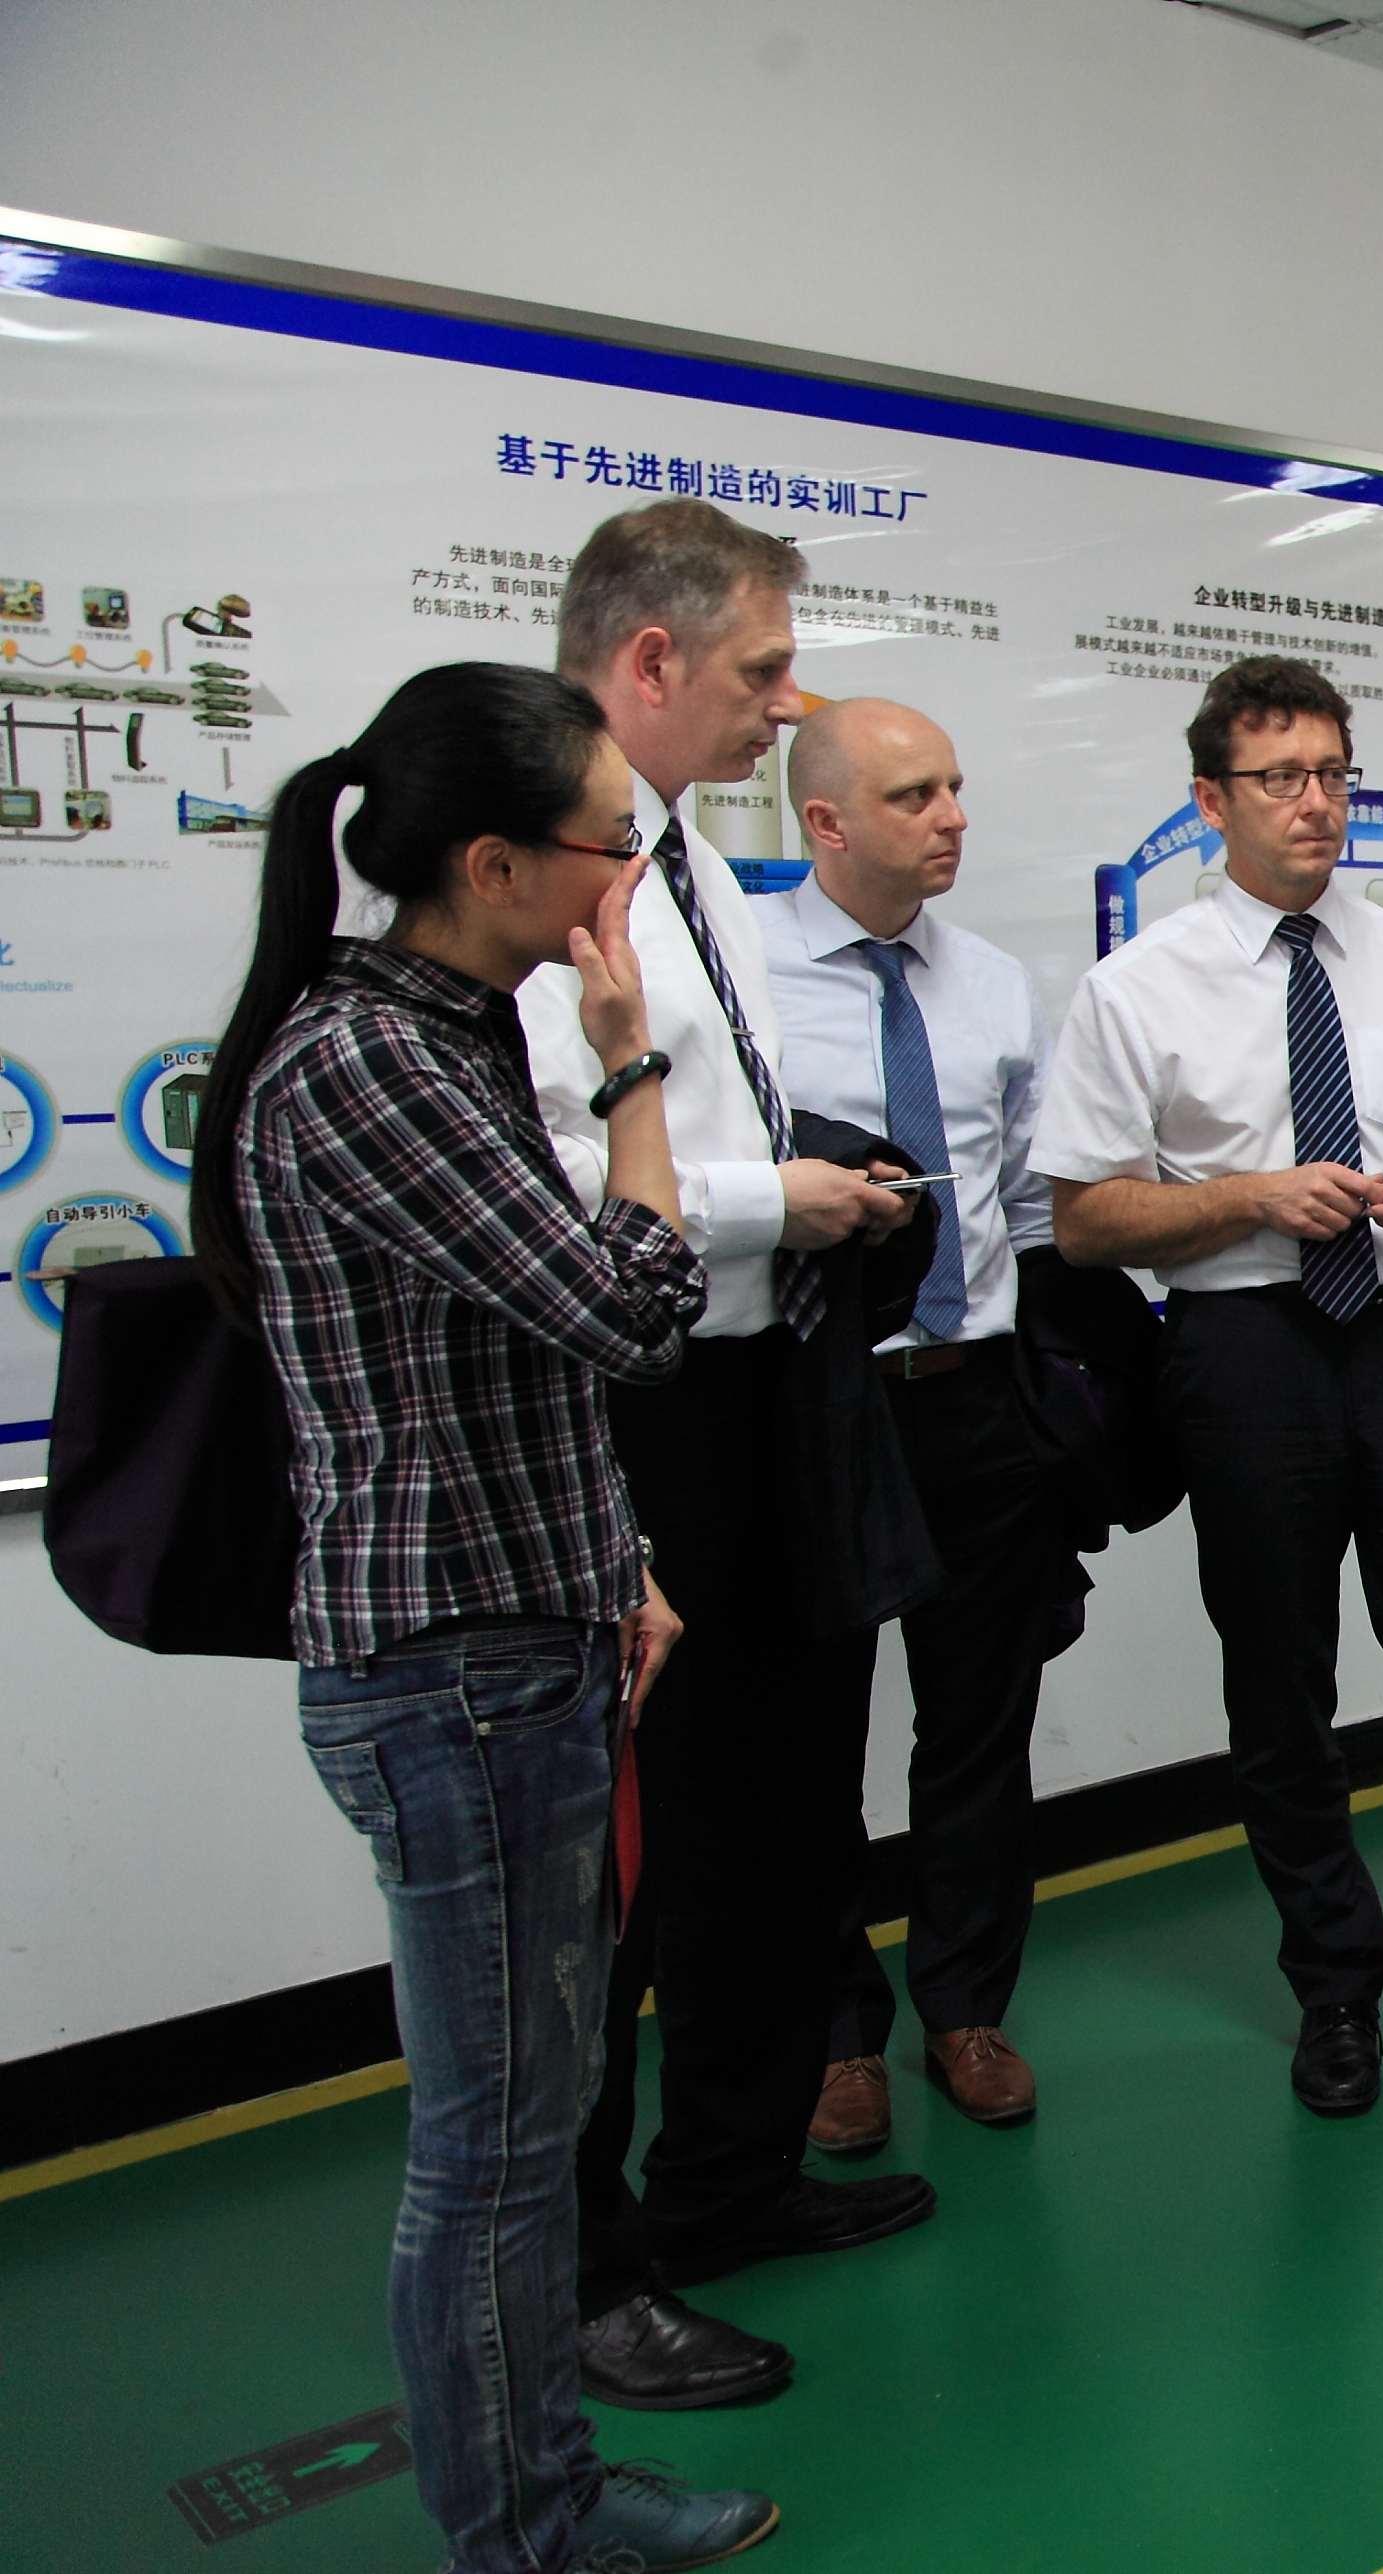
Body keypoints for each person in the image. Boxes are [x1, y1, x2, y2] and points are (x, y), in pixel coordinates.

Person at [192, 662, 774, 2572]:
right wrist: (631, 1071)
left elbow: (505, 1364)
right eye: (612, 846)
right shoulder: (368, 1060)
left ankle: (545, 2485)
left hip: (523, 1631)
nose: (628, 884)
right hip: (454, 1670)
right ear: (493, 863)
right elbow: (624, 1306)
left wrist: (618, 1557)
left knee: (535, 2108)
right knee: (499, 2144)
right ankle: (519, 2530)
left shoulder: (430, 1033)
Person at [1034, 655, 1383, 2116]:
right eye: (1281, 777)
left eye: (1335, 774)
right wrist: (1249, 1197)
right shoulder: (1136, 987)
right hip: (1244, 1350)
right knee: (1279, 1684)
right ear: (1211, 800)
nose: (1317, 803)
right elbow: (1083, 1217)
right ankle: (1335, 1988)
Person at [543, 502, 936, 2410]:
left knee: (772, 1815)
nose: (792, 704)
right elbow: (547, 1177)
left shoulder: (694, 850)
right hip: (630, 1403)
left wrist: (818, 1188)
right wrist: (773, 1197)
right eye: (763, 669)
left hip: (764, 1384)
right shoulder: (548, 864)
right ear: (649, 660)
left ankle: (730, 2172)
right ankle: (589, 2264)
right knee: (619, 1867)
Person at [754, 699, 1082, 2146]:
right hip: (820, 1404)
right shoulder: (746, 982)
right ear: (824, 821)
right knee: (810, 1735)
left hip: (975, 1400)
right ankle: (837, 2034)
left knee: (979, 1727)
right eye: (913, 796)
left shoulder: (995, 984)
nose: (952, 817)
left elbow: (1022, 1199)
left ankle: (965, 2005)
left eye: (954, 787)